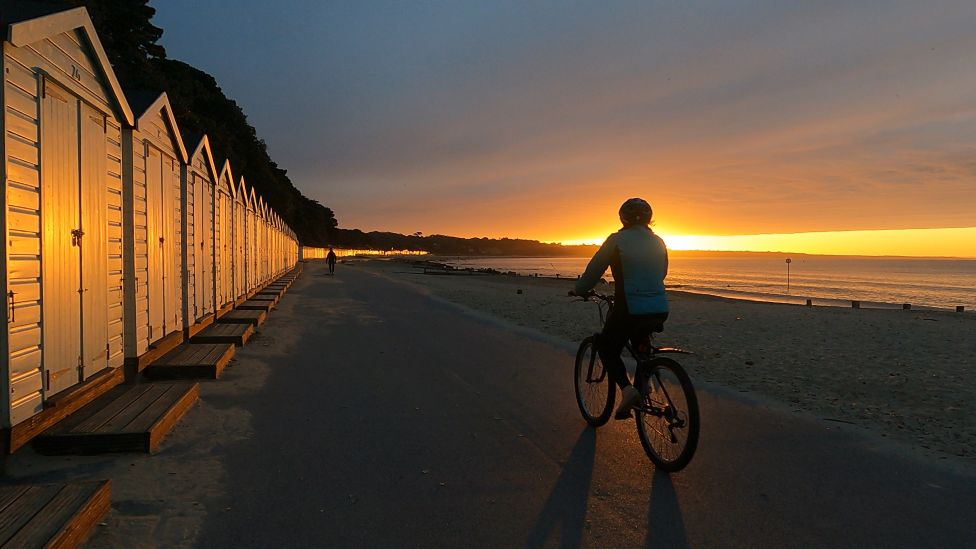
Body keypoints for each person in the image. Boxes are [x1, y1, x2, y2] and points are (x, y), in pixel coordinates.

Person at [571, 198, 669, 419]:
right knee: (641, 344)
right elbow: (661, 273)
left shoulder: (616, 240)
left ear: (622, 217)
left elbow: (594, 270)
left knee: (607, 347)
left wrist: (580, 289)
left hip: (629, 307)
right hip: (660, 307)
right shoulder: (659, 242)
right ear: (649, 218)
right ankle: (645, 383)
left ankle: (628, 390)